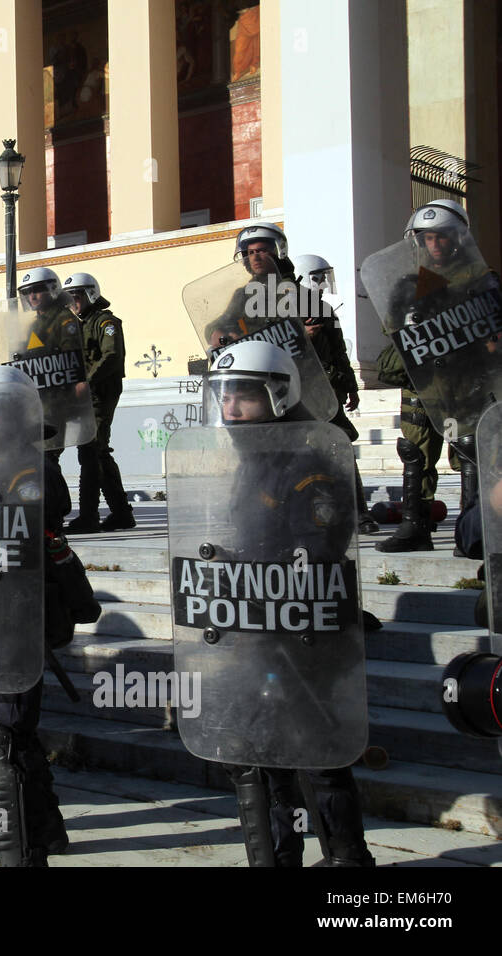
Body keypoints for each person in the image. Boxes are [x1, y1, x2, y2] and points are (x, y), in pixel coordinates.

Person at [200, 339, 375, 867]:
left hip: (303, 632)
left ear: (277, 395)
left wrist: (258, 571)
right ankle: (280, 855)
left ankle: (347, 862)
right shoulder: (255, 456)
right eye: (224, 396)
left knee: (315, 749)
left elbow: (316, 552)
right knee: (263, 750)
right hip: (259, 624)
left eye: (243, 397)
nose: (231, 409)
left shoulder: (307, 458)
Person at [0, 366, 74, 867]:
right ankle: (44, 828)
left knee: (5, 730)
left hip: (19, 616)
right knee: (3, 726)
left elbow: (30, 530)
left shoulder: (30, 470)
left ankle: (24, 843)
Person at [375, 200, 493, 553]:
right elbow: (392, 331)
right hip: (422, 382)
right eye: (427, 238)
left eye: (441, 237)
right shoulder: (408, 284)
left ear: (457, 238)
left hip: (464, 383)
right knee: (414, 452)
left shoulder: (481, 280)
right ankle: (415, 525)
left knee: (469, 453)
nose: (435, 245)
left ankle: (471, 530)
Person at [294, 254, 380, 535]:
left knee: (340, 447)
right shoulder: (283, 311)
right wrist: (302, 334)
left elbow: (339, 353)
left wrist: (351, 387)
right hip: (296, 395)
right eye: (316, 277)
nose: (321, 283)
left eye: (323, 277)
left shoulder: (324, 310)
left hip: (325, 394)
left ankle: (358, 513)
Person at [59, 272, 132, 533]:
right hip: (85, 396)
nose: (73, 301)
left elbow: (111, 356)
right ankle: (121, 512)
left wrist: (86, 381)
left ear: (90, 293)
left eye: (76, 295)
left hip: (100, 393)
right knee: (98, 452)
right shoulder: (78, 324)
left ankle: (89, 516)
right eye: (69, 297)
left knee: (91, 452)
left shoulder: (105, 323)